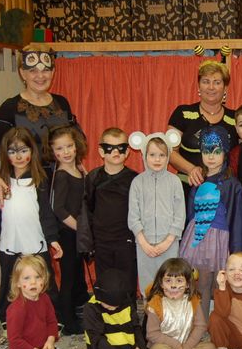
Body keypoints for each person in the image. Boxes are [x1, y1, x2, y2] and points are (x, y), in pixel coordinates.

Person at [0, 44, 79, 206]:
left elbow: (73, 141)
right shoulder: (10, 107)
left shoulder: (62, 103)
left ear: (53, 72)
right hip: (25, 186)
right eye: (33, 70)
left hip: (62, 185)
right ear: (22, 73)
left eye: (45, 70)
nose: (40, 76)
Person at [0, 127, 62, 327]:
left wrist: (52, 239)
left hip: (34, 241)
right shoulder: (2, 181)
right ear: (6, 154)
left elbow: (46, 213)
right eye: (12, 151)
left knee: (44, 280)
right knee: (9, 280)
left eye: (23, 150)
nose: (18, 156)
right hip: (10, 242)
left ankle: (52, 316)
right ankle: (7, 316)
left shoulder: (39, 180)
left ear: (32, 151)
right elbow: (0, 211)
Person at [179, 125, 242, 319]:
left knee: (221, 283)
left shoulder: (232, 183)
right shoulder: (198, 179)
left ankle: (221, 323)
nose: (211, 157)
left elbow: (237, 216)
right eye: (206, 151)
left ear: (225, 153)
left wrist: (236, 247)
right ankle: (202, 323)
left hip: (221, 240)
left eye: (216, 151)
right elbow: (191, 212)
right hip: (199, 239)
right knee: (203, 282)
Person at [52, 267, 155, 349]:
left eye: (116, 305)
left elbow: (136, 327)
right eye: (109, 305)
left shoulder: (126, 302)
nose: (113, 309)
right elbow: (96, 340)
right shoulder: (92, 308)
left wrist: (138, 348)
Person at [0, 255, 74, 349]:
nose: (33, 282)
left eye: (38, 277)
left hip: (42, 346)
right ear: (18, 283)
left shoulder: (45, 298)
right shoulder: (17, 309)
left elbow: (52, 322)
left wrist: (50, 342)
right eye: (27, 278)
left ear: (44, 279)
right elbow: (15, 340)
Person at [77, 127, 138, 299]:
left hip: (126, 241)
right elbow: (87, 210)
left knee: (127, 281)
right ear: (101, 151)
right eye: (110, 148)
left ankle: (130, 313)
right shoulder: (93, 178)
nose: (116, 152)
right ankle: (104, 314)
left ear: (127, 151)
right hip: (102, 242)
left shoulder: (135, 179)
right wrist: (86, 243)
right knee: (104, 282)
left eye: (121, 147)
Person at [145, 258, 226, 349]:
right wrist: (175, 345)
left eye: (179, 281)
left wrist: (186, 347)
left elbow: (200, 326)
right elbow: (152, 334)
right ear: (161, 283)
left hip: (187, 344)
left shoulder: (193, 300)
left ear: (187, 284)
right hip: (163, 346)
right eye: (168, 281)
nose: (173, 285)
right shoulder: (156, 303)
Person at [168, 60, 238, 198]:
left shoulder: (236, 118)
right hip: (186, 189)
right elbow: (169, 151)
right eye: (206, 81)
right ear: (199, 86)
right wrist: (191, 169)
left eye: (217, 82)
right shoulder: (182, 113)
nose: (211, 87)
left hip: (224, 192)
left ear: (225, 88)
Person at [128, 131, 186, 296]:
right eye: (152, 155)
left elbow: (180, 214)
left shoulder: (174, 181)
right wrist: (143, 242)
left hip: (169, 243)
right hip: (144, 244)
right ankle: (150, 310)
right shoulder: (137, 182)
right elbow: (133, 216)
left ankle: (170, 311)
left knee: (170, 282)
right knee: (148, 285)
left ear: (168, 157)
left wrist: (168, 241)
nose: (157, 159)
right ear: (144, 155)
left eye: (162, 155)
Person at [47, 125, 89, 335]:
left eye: (69, 146)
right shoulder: (62, 175)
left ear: (76, 146)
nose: (65, 152)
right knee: (69, 277)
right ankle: (67, 322)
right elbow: (58, 208)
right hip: (67, 233)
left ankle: (78, 310)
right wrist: (80, 228)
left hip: (77, 233)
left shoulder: (78, 169)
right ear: (53, 152)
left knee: (78, 274)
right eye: (59, 149)